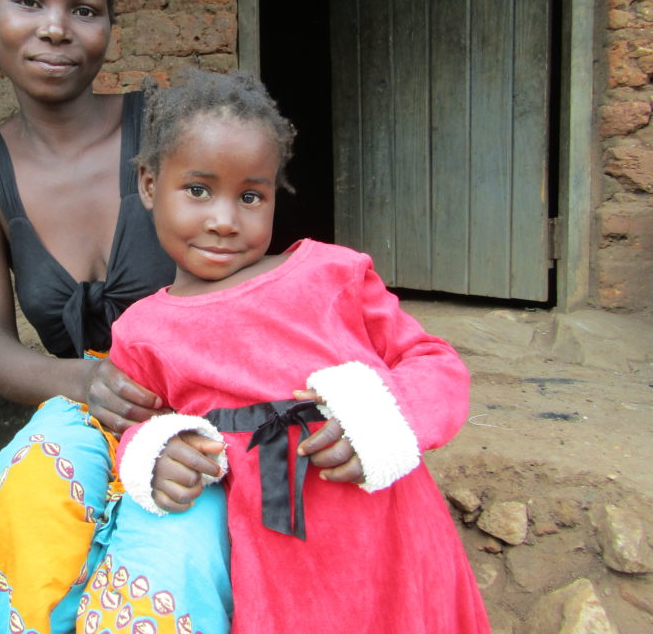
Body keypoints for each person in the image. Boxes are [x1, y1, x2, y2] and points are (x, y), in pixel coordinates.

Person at [93, 70, 492, 633]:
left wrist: (386, 420)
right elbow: (138, 426)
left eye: (251, 196)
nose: (224, 221)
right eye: (198, 190)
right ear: (148, 183)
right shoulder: (142, 331)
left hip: (394, 535)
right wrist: (156, 452)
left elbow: (433, 363)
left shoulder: (332, 273)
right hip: (284, 568)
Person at [0, 0, 235, 633]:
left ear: (108, 24)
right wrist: (84, 382)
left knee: (171, 563)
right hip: (79, 409)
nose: (55, 28)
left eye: (83, 9)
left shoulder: (169, 128)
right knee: (33, 499)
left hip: (201, 408)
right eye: (29, 2)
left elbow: (248, 283)